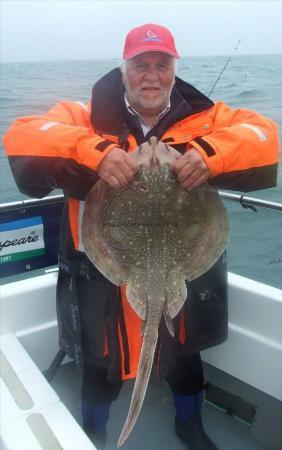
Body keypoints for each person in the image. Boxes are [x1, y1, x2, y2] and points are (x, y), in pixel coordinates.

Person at [3, 23, 279, 450]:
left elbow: (265, 136)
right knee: (99, 368)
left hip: (179, 267)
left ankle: (190, 426)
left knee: (186, 360)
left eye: (162, 64)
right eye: (140, 65)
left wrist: (211, 154)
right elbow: (22, 136)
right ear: (124, 68)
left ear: (173, 69)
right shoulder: (82, 117)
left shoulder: (209, 120)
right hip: (103, 277)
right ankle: (92, 434)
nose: (151, 75)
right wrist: (93, 152)